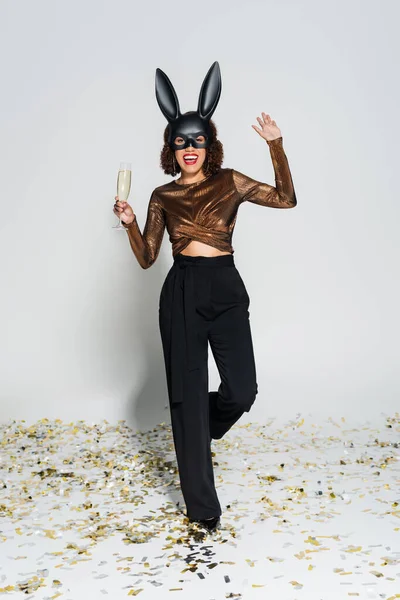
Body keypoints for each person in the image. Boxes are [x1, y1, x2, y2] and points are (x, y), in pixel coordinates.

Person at [113, 62, 297, 533]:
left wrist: (275, 145)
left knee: (243, 389)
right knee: (185, 397)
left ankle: (206, 428)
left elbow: (285, 199)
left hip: (226, 286)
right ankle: (203, 509)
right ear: (170, 148)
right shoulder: (162, 195)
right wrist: (132, 222)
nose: (189, 148)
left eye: (197, 140)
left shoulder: (230, 181)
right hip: (182, 291)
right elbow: (147, 258)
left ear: (209, 145)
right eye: (180, 141)